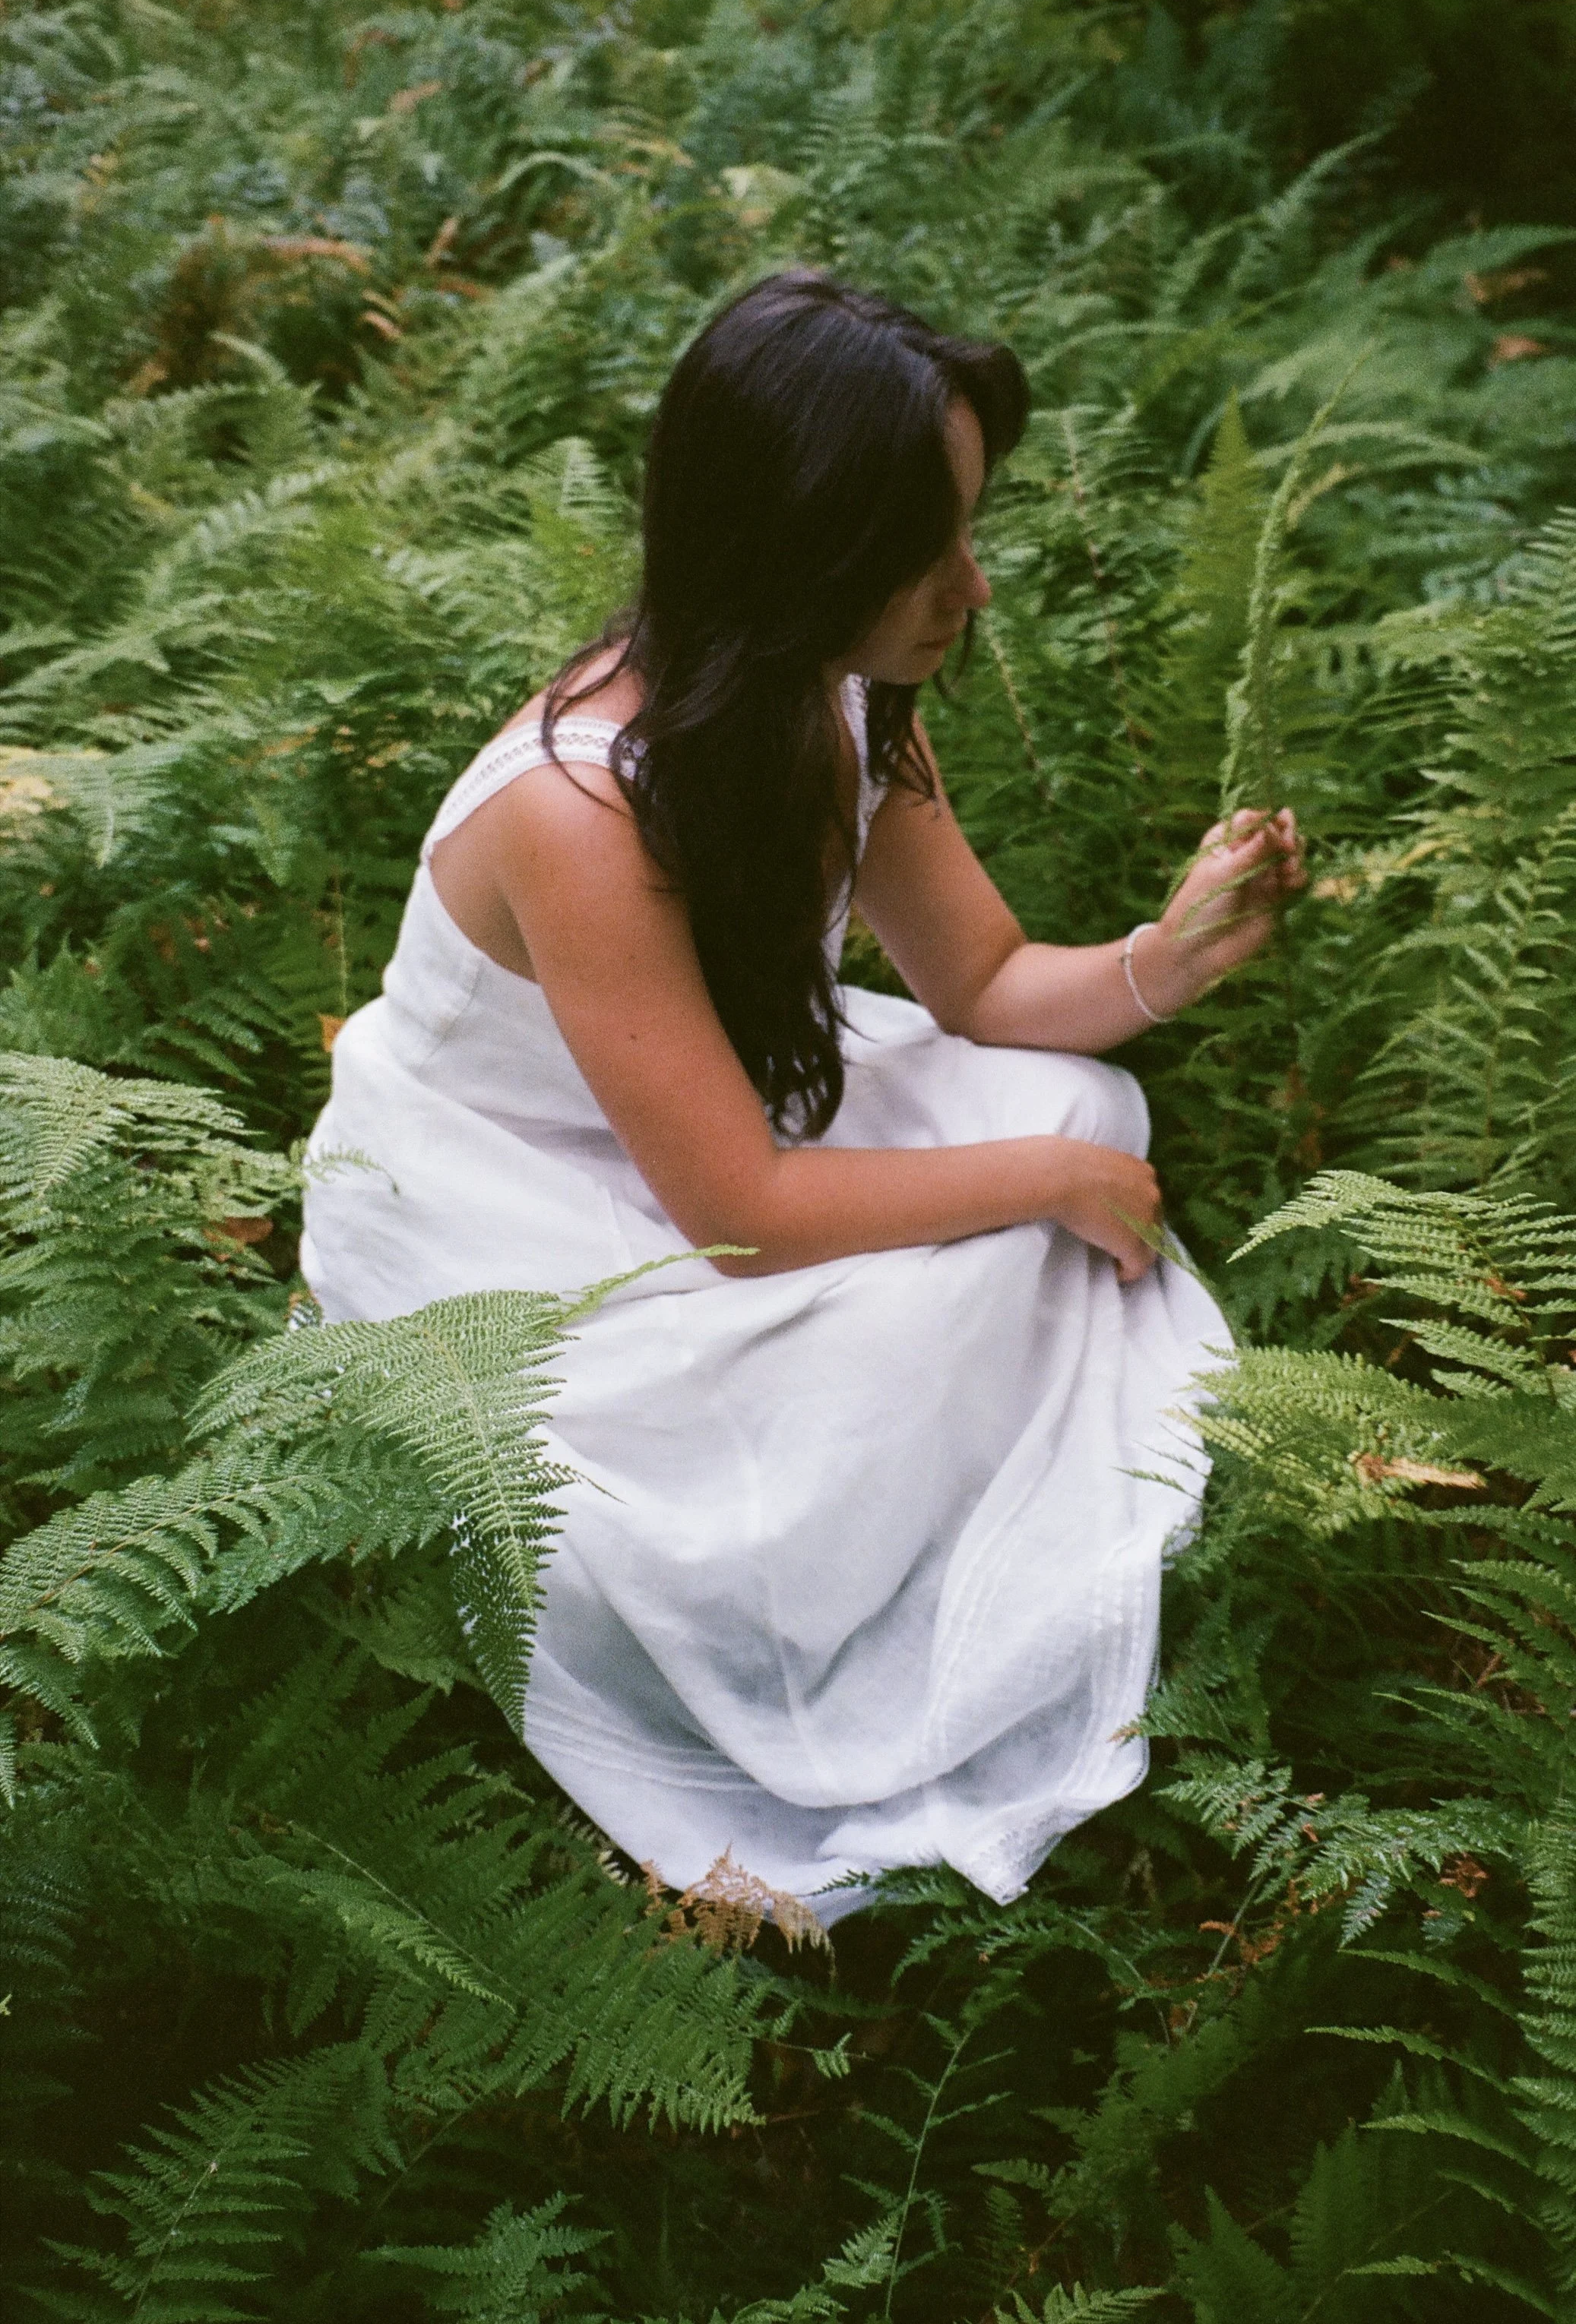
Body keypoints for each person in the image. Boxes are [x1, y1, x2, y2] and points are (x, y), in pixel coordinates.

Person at [302, 270, 1305, 1922]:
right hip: (517, 1202)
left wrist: (1165, 957)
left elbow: (979, 983)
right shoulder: (578, 812)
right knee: (738, 1521)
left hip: (710, 1117)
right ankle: (871, 1541)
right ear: (802, 546)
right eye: (929, 552)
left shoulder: (830, 695)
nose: (967, 589)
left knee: (1082, 1107)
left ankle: (945, 1439)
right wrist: (1038, 1190)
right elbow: (743, 1219)